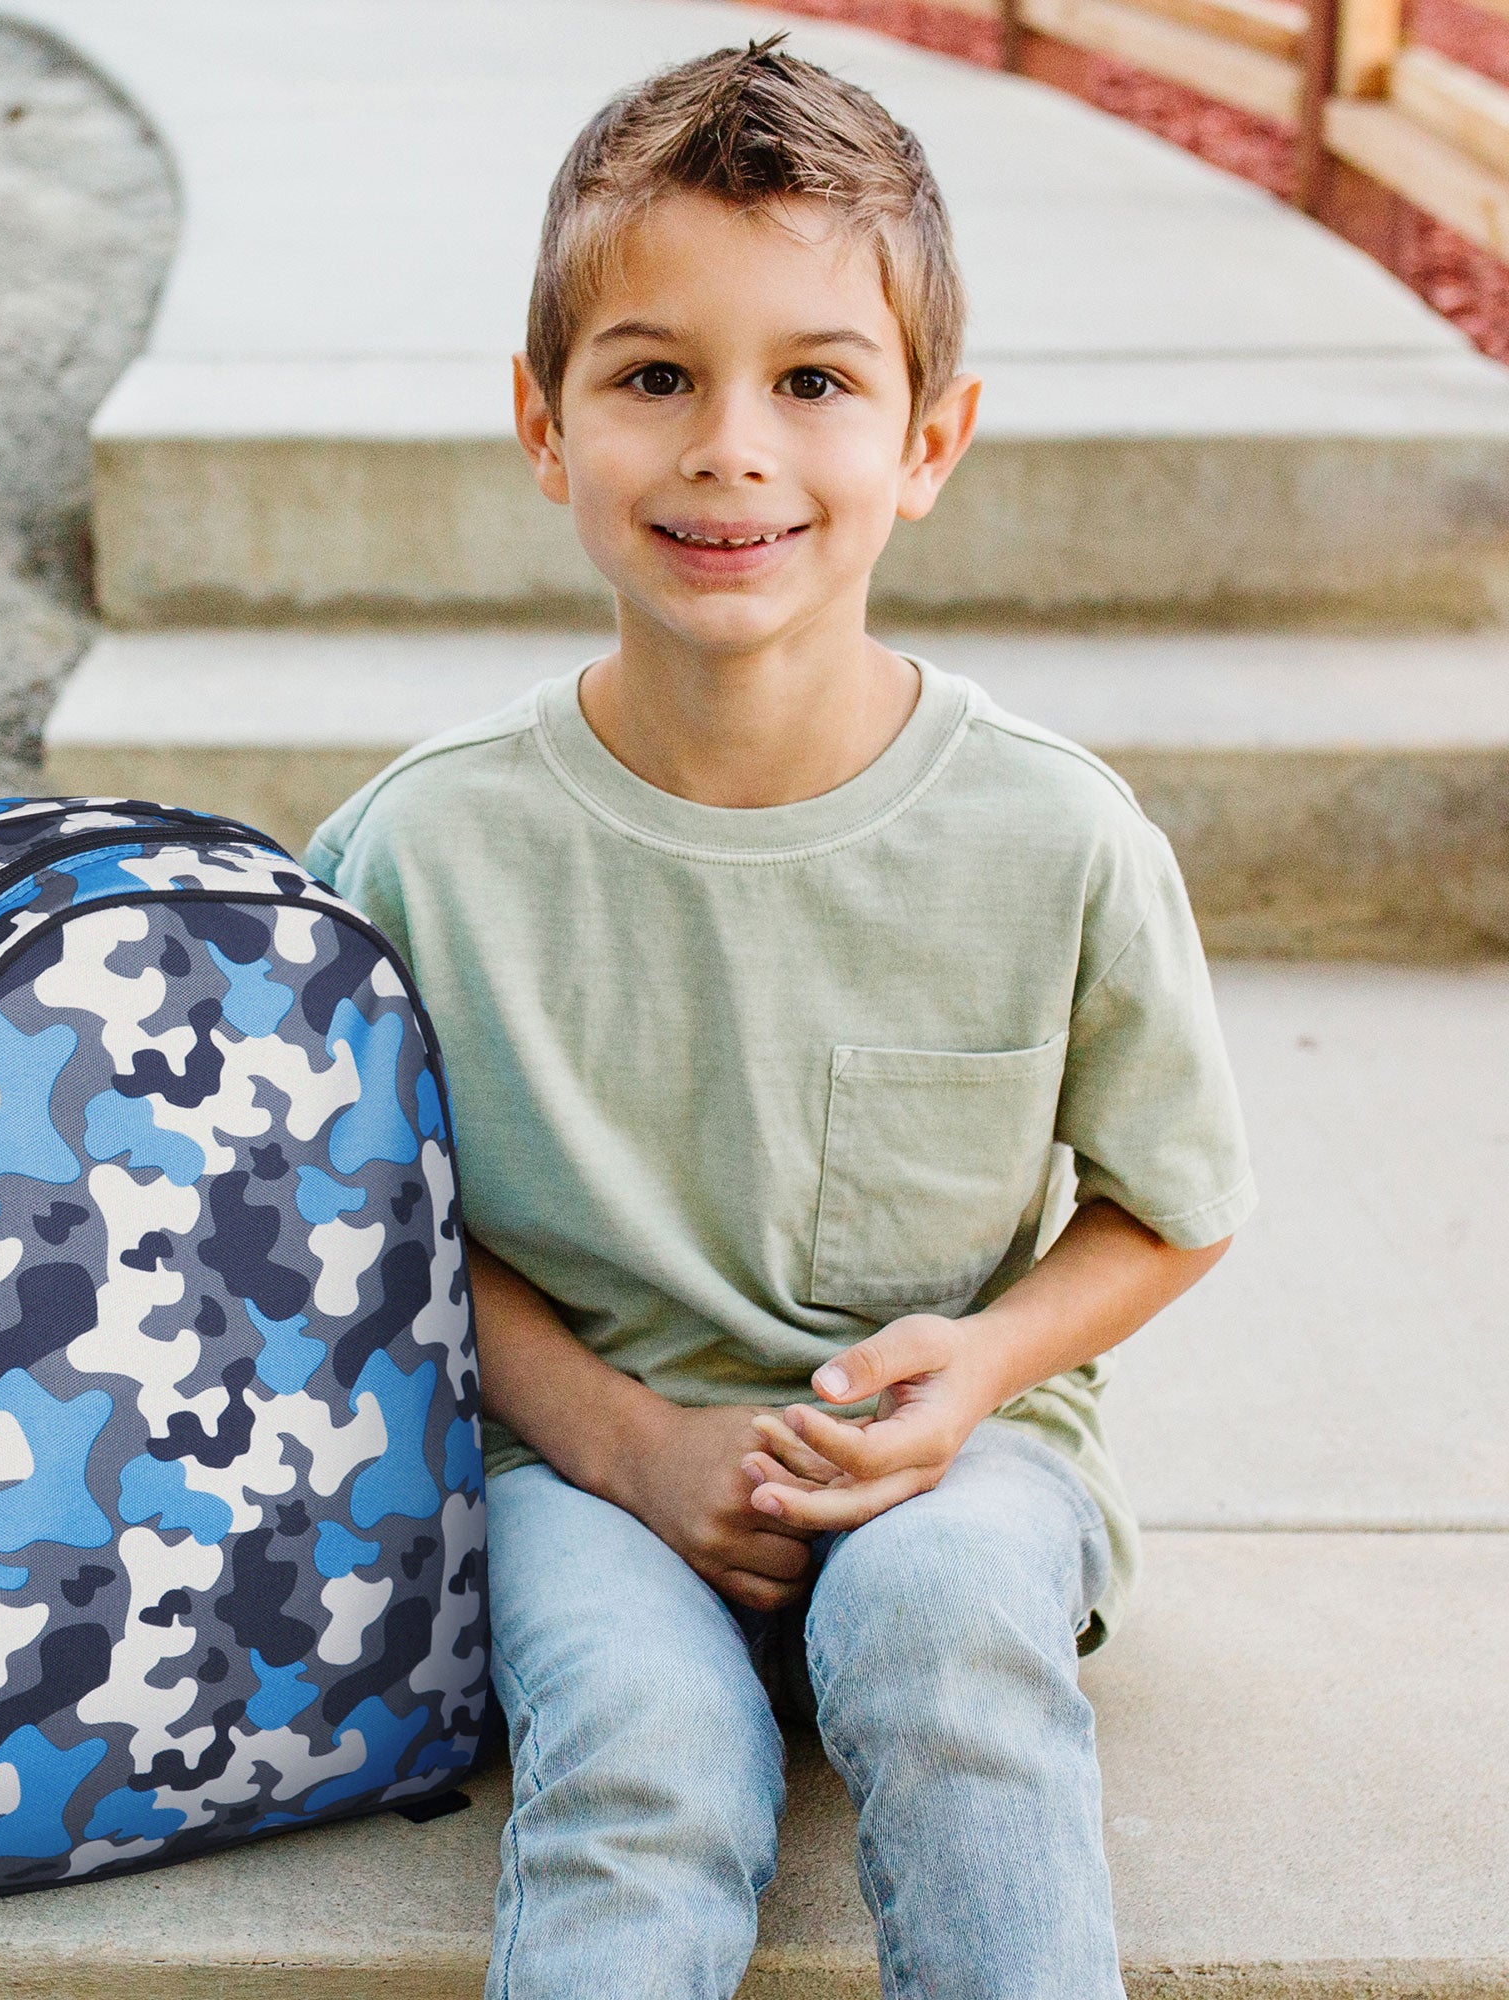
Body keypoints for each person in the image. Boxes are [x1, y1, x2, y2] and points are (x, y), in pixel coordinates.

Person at [307, 35, 1254, 2000]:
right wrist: (634, 1447)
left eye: (815, 381)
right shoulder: (422, 851)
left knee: (939, 1638)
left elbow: (1173, 1203)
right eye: (654, 376)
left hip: (953, 1459)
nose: (731, 446)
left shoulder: (1054, 836)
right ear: (544, 422)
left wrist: (981, 1366)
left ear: (930, 439)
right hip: (578, 1469)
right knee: (639, 1754)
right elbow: (369, 1235)